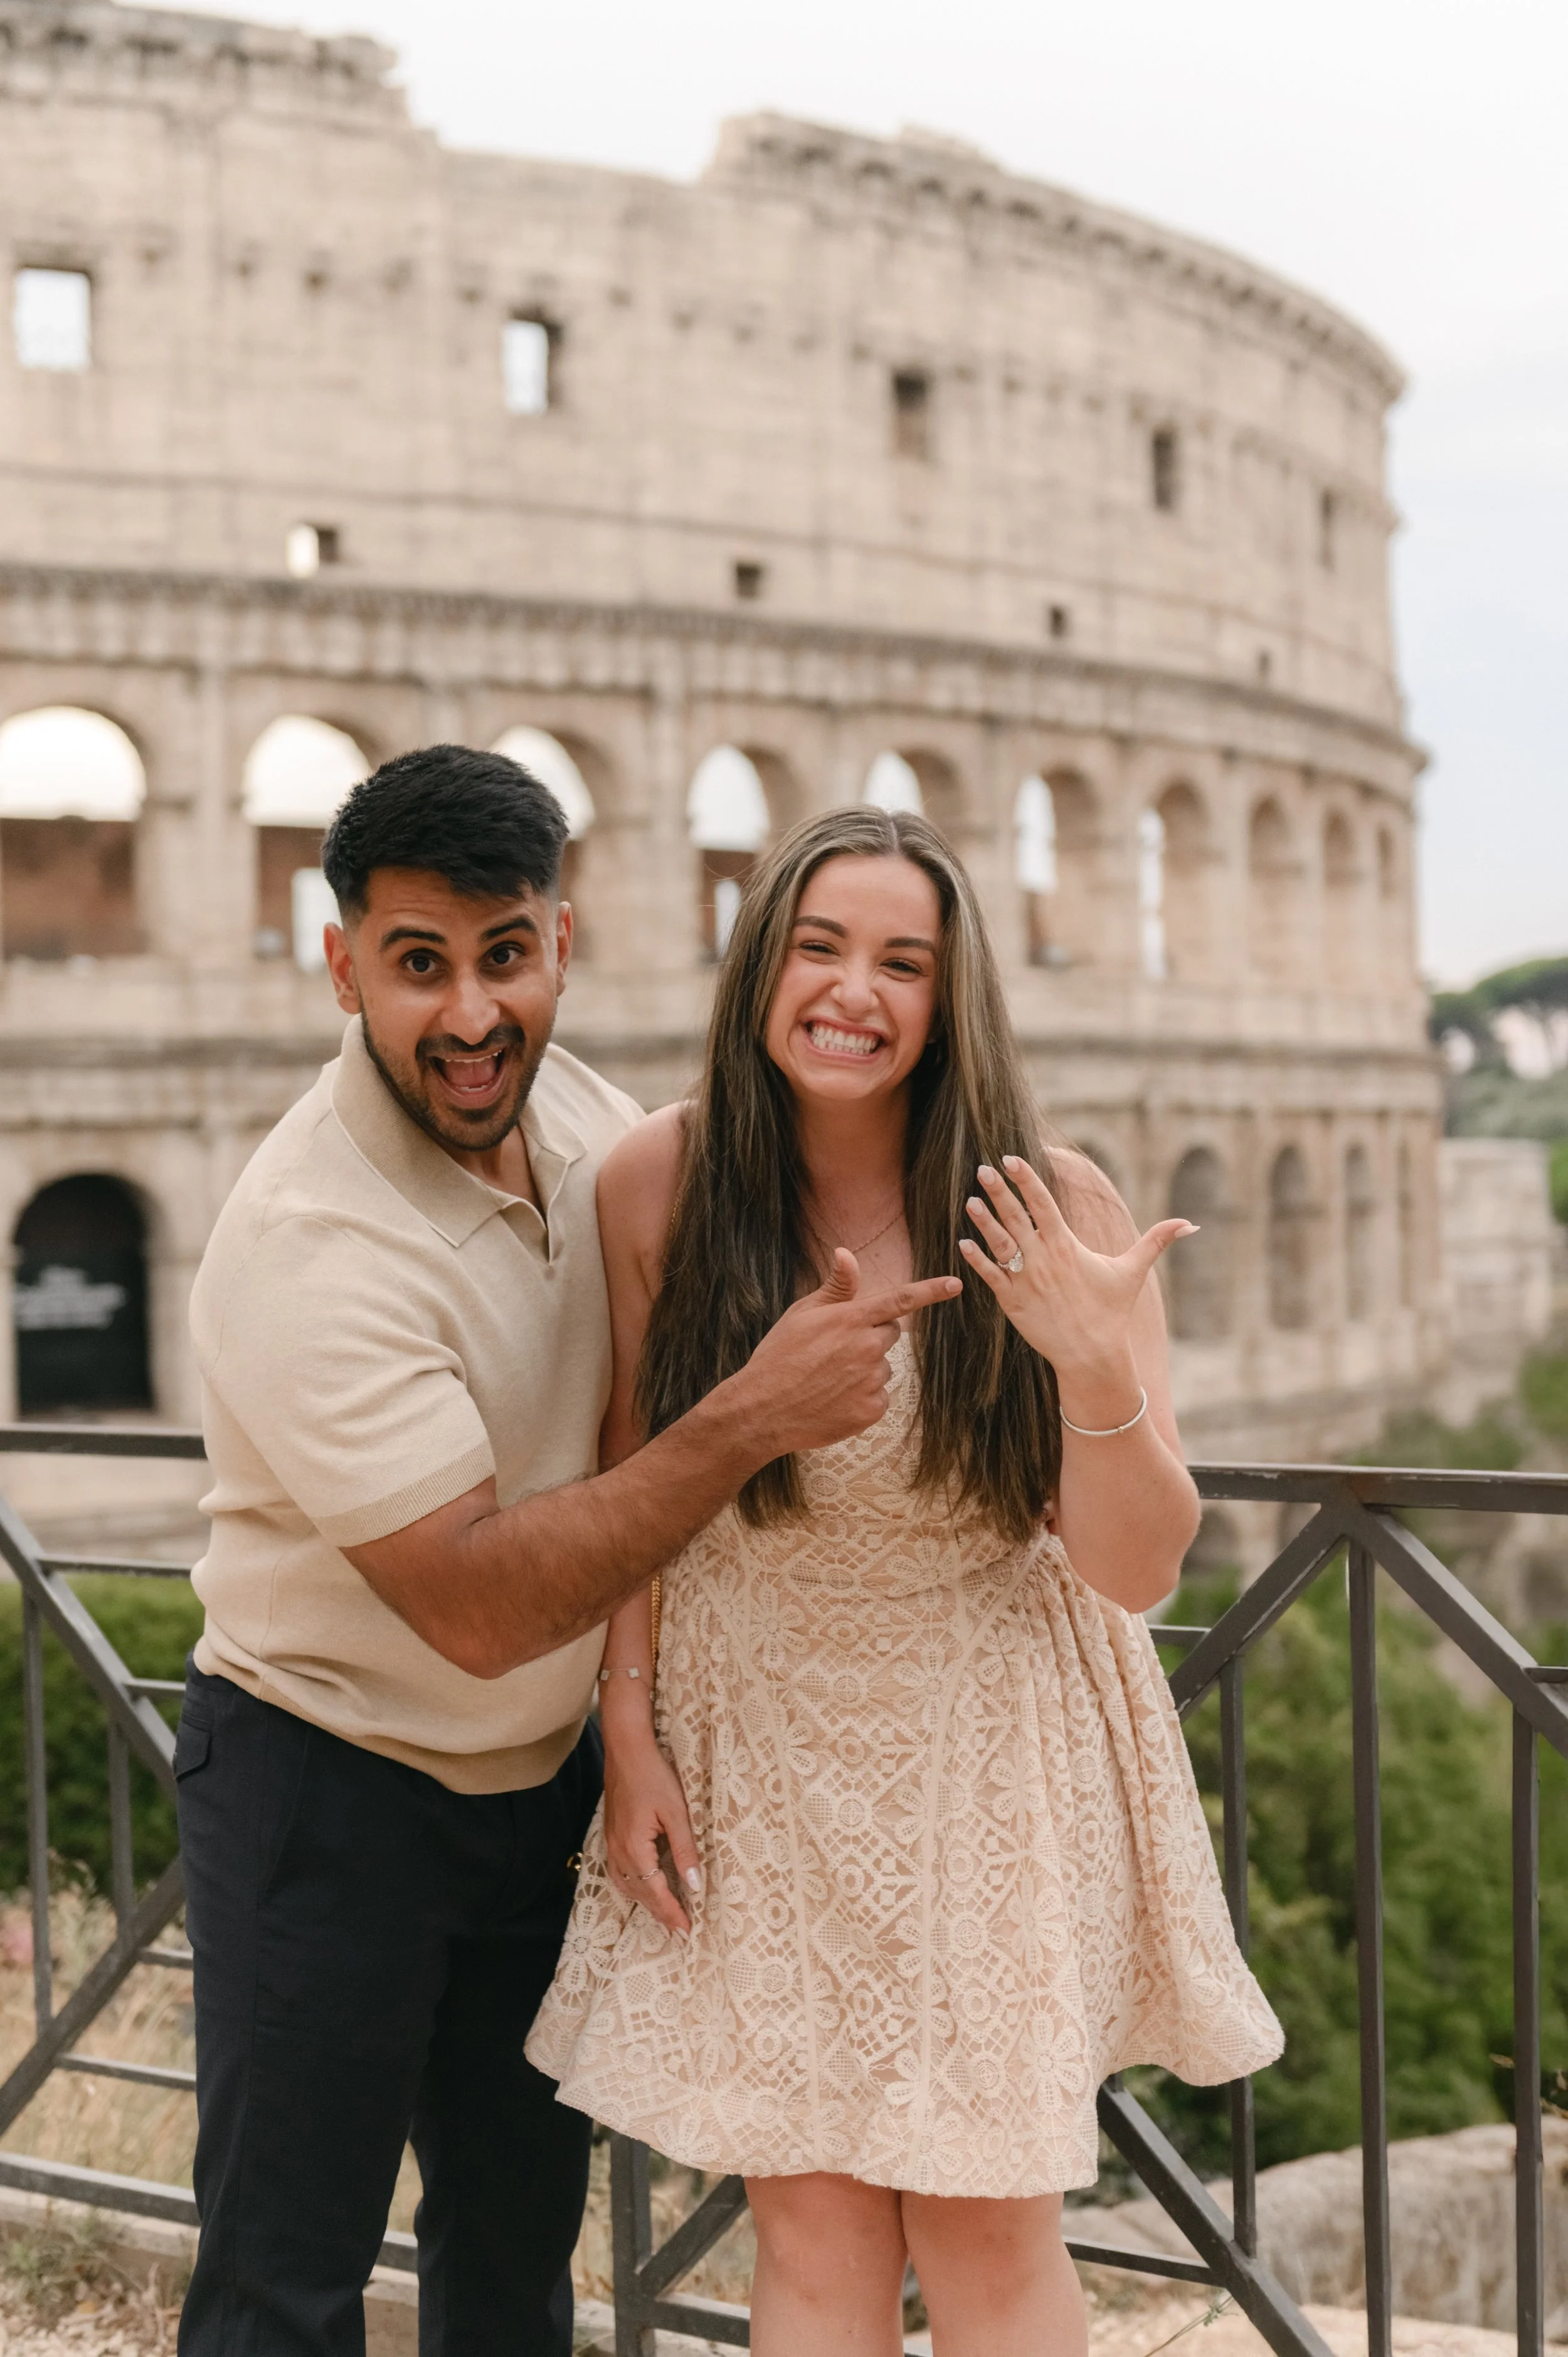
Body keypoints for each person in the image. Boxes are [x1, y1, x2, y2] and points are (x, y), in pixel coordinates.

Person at [174, 747, 959, 2357]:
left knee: (517, 2271)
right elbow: (474, 1601)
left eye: (504, 956)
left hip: (544, 1798)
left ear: (562, 942)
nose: (470, 1014)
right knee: (284, 2283)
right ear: (342, 964)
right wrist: (748, 1418)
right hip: (329, 1782)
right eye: (417, 965)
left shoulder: (594, 1123)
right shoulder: (306, 1245)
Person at [529, 804, 1284, 2357]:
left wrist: (1089, 1364)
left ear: (950, 999)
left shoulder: (1046, 1199)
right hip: (753, 1723)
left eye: (901, 961)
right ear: (758, 964)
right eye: (817, 946)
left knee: (983, 2215)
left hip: (985, 1727)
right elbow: (634, 1471)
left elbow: (1136, 1565)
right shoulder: (656, 1183)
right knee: (803, 2215)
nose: (851, 990)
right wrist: (628, 1727)